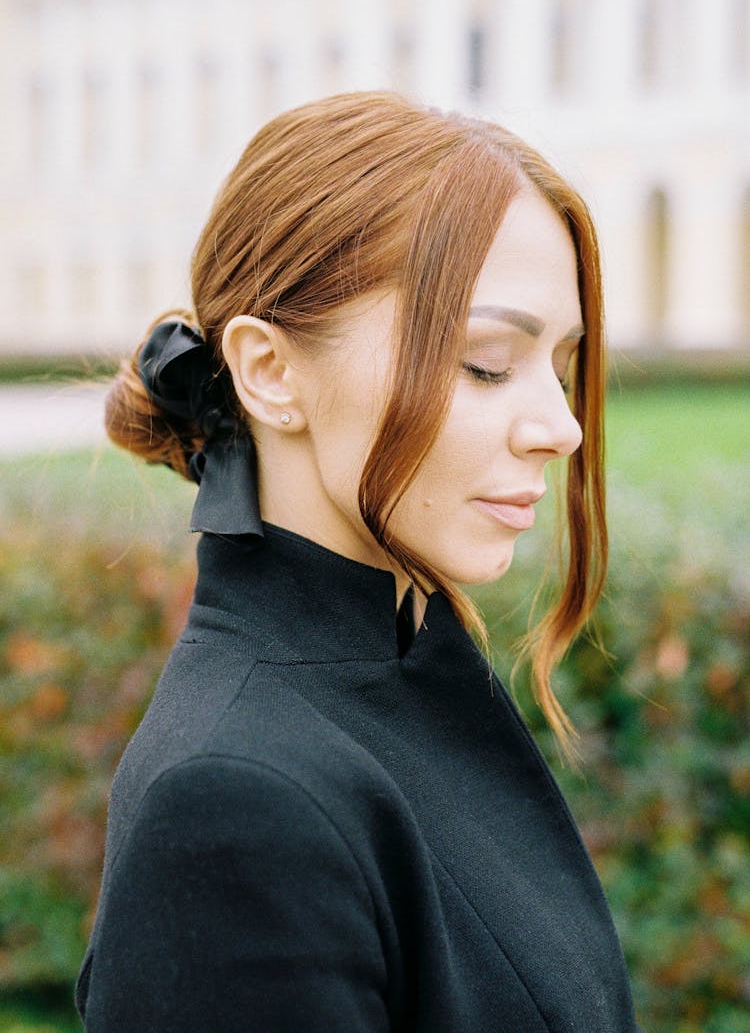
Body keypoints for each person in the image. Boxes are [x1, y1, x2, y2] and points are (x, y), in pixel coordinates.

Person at [76, 91, 641, 1031]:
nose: (564, 426)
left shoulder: (410, 665)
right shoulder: (234, 805)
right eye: (488, 362)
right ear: (269, 371)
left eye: (564, 362)